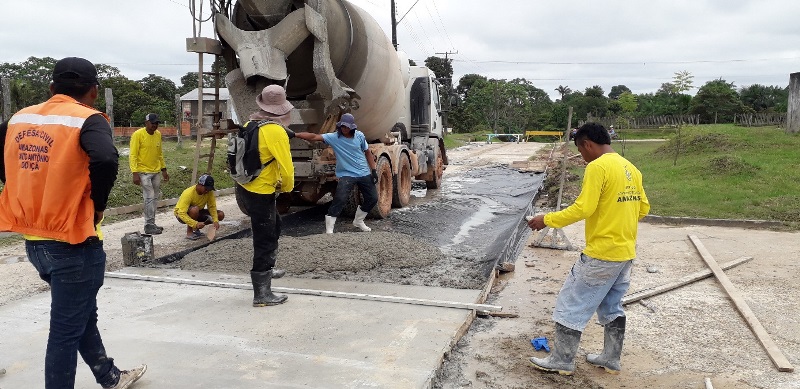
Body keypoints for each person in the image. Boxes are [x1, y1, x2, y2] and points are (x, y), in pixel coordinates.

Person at [0, 57, 146, 388]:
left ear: (51, 88)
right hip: (73, 243)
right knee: (66, 329)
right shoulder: (88, 119)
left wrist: (22, 187)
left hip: (35, 241)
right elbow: (107, 158)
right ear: (94, 92)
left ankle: (109, 376)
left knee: (80, 315)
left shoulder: (19, 120)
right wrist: (97, 206)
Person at [526, 122, 649, 376]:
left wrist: (547, 219)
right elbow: (643, 208)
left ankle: (562, 360)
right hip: (625, 253)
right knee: (611, 306)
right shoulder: (631, 168)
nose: (582, 158)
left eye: (581, 152)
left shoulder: (598, 166)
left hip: (602, 253)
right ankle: (610, 358)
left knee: (571, 303)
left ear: (587, 144)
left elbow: (584, 208)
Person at [239, 84, 296, 307]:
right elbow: (287, 167)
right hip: (263, 192)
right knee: (263, 239)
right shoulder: (275, 131)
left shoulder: (250, 124)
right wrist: (288, 188)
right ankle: (261, 294)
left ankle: (268, 269)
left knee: (275, 226)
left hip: (248, 186)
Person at [294, 113, 378, 234]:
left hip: (363, 172)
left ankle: (359, 221)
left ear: (352, 127)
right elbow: (313, 137)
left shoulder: (359, 136)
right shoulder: (333, 137)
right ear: (340, 126)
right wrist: (295, 134)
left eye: (347, 127)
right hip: (346, 174)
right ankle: (329, 229)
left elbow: (368, 152)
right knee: (340, 198)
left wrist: (374, 170)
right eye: (343, 126)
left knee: (372, 198)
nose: (345, 129)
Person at [129, 113, 169, 235]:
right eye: (152, 123)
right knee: (149, 197)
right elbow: (133, 155)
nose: (155, 125)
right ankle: (148, 225)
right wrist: (134, 173)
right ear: (146, 123)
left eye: (157, 123)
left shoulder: (158, 135)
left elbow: (159, 153)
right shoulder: (138, 135)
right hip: (143, 172)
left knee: (154, 198)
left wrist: (164, 170)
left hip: (156, 171)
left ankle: (152, 223)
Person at [174, 174, 225, 240]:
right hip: (181, 215)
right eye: (206, 189)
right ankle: (189, 232)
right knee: (194, 210)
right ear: (200, 185)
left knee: (220, 215)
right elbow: (181, 213)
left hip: (198, 212)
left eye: (209, 189)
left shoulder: (209, 192)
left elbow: (212, 207)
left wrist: (215, 220)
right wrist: (195, 224)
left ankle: (197, 229)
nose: (207, 191)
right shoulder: (188, 193)